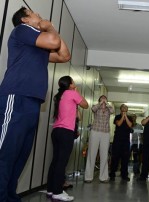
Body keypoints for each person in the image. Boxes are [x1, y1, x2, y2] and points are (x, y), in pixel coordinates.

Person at [0, 7, 70, 202]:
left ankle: (9, 197)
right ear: (25, 19)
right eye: (33, 13)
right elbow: (54, 41)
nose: (38, 14)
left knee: (20, 155)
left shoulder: (37, 45)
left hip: (32, 102)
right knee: (6, 153)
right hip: (16, 97)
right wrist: (48, 26)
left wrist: (50, 28)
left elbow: (64, 55)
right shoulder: (22, 30)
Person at [46, 76, 88, 201]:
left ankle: (51, 189)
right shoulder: (71, 93)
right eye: (73, 82)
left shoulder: (60, 95)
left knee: (55, 161)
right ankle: (58, 192)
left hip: (56, 131)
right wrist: (77, 92)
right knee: (61, 162)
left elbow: (77, 114)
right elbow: (85, 105)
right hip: (66, 132)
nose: (75, 83)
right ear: (70, 84)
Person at [84, 95, 114, 183]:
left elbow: (112, 111)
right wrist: (100, 103)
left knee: (104, 154)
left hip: (106, 133)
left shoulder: (109, 108)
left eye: (105, 98)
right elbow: (93, 109)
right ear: (99, 100)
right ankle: (88, 177)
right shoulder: (96, 107)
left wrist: (107, 104)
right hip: (95, 131)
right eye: (102, 98)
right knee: (91, 153)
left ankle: (104, 177)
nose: (104, 99)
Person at [109, 104, 133, 181]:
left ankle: (124, 175)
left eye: (126, 108)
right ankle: (112, 173)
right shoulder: (117, 117)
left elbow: (130, 125)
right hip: (117, 140)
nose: (124, 108)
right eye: (123, 107)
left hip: (126, 141)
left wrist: (126, 116)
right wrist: (123, 116)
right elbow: (118, 124)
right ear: (120, 109)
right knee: (115, 157)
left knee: (125, 158)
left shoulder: (130, 118)